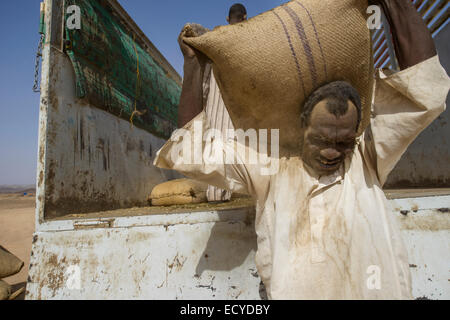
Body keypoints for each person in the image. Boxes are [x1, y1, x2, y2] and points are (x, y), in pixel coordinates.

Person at [156, 0, 450, 299]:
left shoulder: (367, 155)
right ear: (301, 129)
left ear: (356, 135)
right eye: (321, 140)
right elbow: (190, 153)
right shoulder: (270, 163)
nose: (333, 152)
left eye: (342, 142)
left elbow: (424, 90)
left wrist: (395, 5)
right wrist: (192, 66)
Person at [177, 3, 247, 203]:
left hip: (217, 134)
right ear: (245, 18)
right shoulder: (252, 50)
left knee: (217, 182)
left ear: (227, 18)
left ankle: (218, 195)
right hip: (241, 134)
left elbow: (198, 97)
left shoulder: (213, 48)